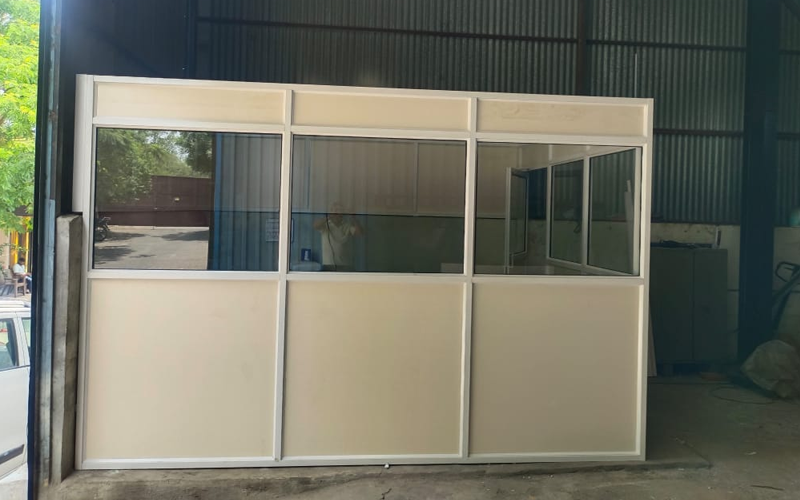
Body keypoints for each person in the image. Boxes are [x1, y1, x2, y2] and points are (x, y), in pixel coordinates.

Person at [313, 202, 363, 271]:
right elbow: (315, 225)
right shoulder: (326, 225)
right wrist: (329, 216)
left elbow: (359, 233)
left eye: (339, 210)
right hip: (328, 265)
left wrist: (353, 217)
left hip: (345, 265)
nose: (336, 213)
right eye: (334, 210)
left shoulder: (347, 225)